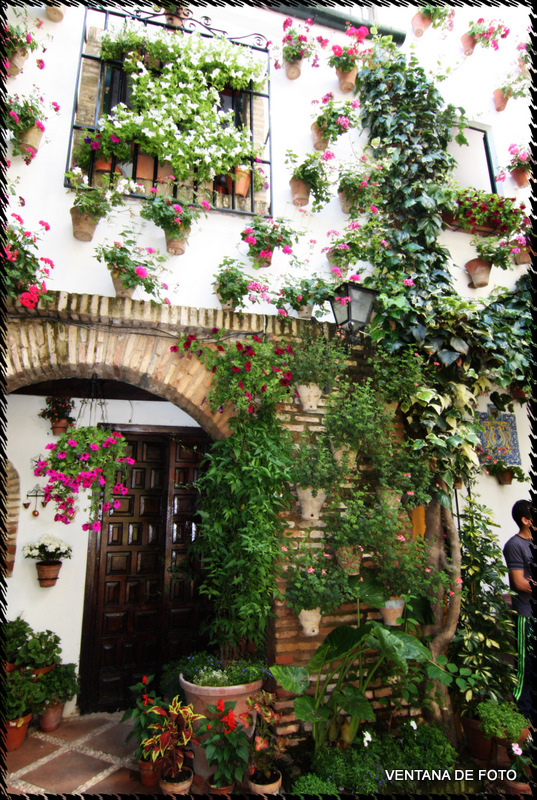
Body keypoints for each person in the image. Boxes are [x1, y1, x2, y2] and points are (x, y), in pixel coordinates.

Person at [503, 499, 536, 726]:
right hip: (526, 616)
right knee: (526, 669)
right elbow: (520, 582)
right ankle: (522, 722)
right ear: (525, 520)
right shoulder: (514, 545)